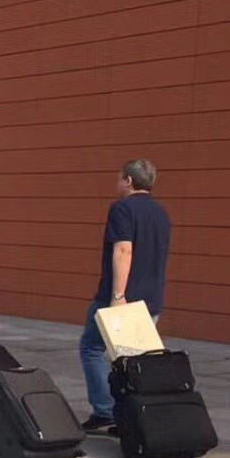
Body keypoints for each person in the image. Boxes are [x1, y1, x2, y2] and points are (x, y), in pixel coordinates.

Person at [77, 159, 171, 434]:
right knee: (135, 362)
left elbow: (123, 250)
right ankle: (133, 417)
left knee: (92, 348)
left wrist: (118, 295)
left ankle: (105, 411)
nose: (117, 183)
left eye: (119, 178)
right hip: (151, 299)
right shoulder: (161, 213)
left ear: (128, 180)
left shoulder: (123, 209)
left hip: (122, 298)